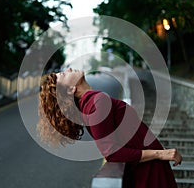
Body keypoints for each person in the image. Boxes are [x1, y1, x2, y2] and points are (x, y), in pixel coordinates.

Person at [38, 68, 182, 188]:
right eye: (64, 74)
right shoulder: (96, 101)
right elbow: (111, 152)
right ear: (71, 89)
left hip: (148, 169)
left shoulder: (89, 104)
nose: (68, 69)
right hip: (148, 172)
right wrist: (161, 154)